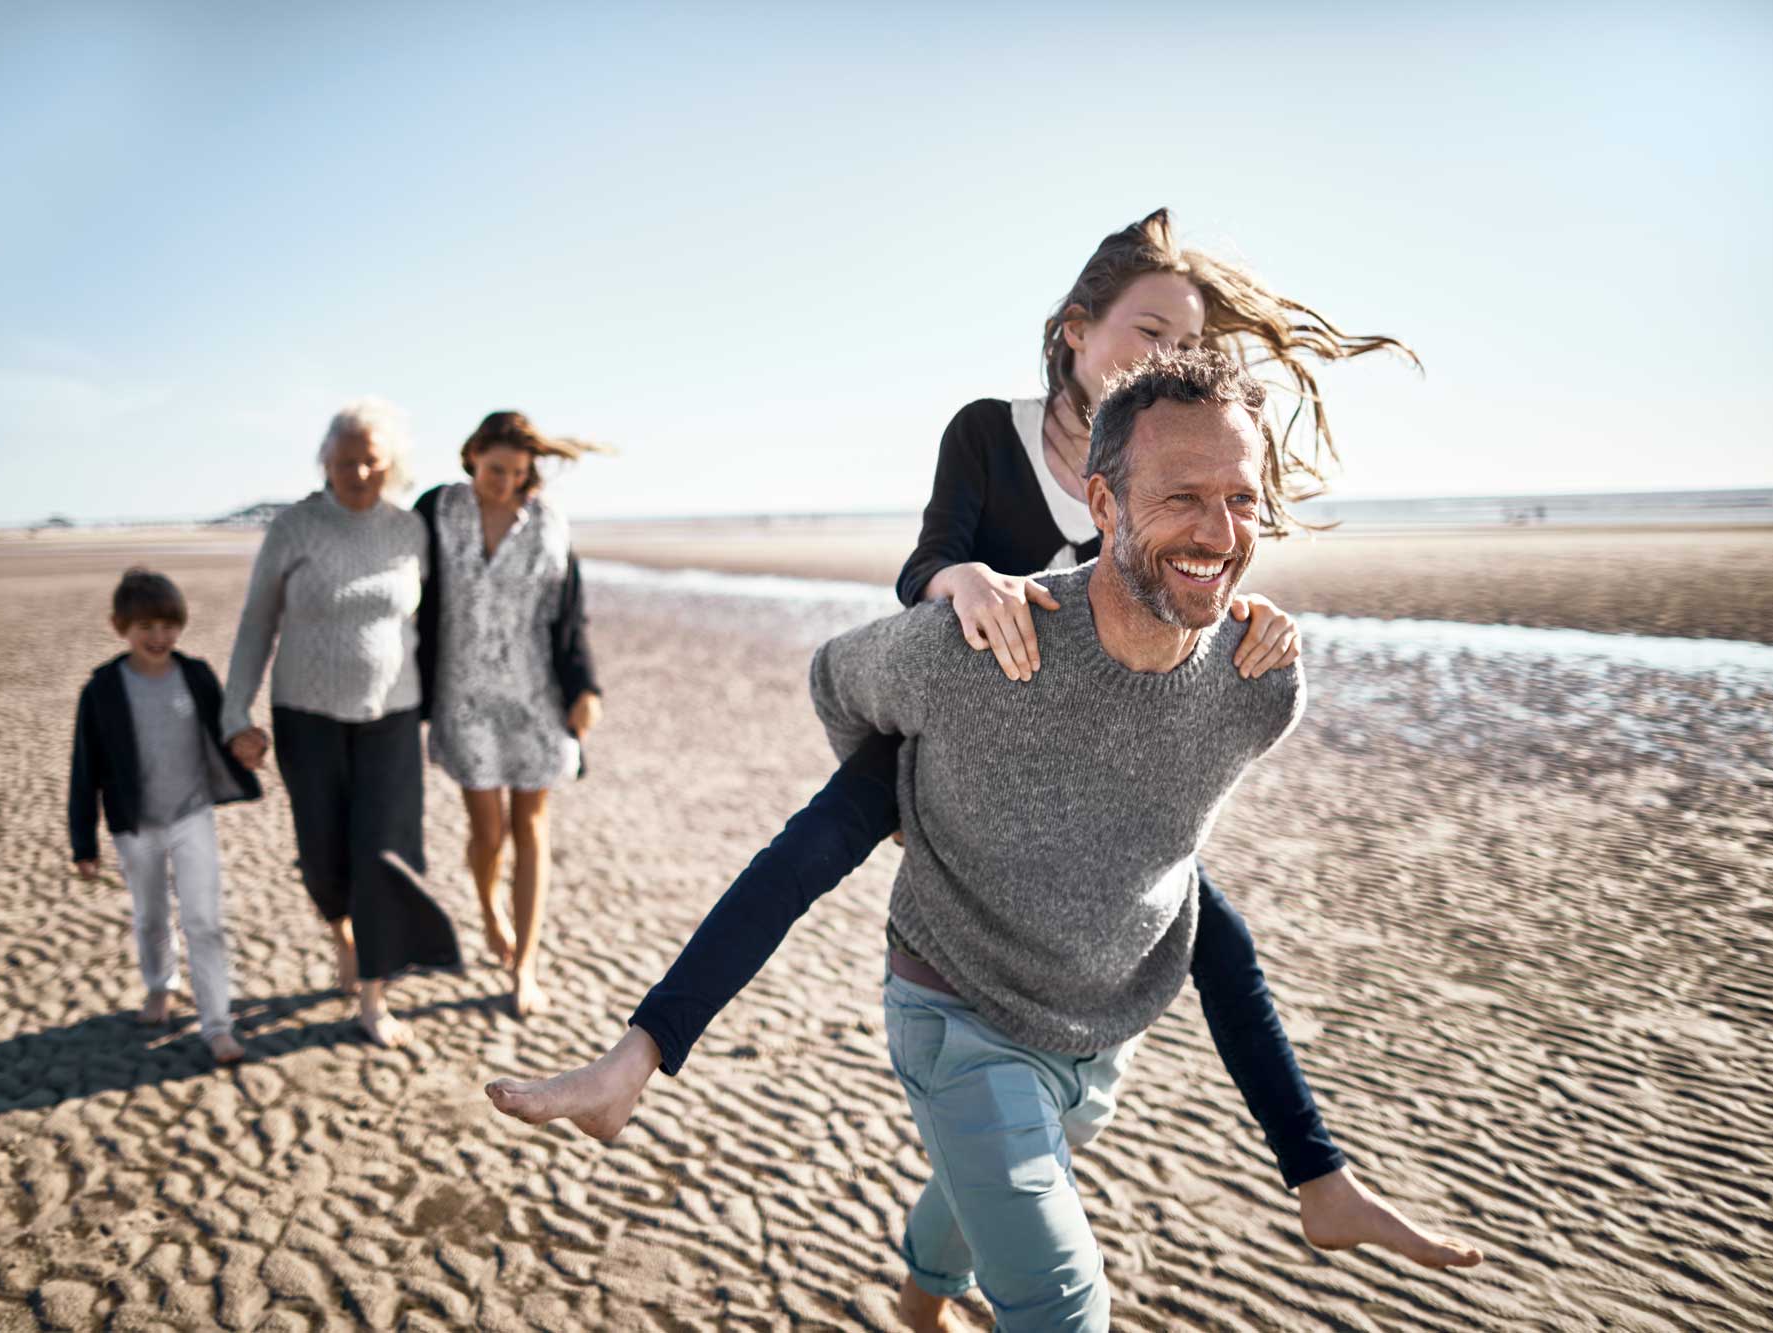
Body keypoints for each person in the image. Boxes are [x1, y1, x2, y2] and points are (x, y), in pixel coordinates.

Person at [489, 212, 1476, 1320]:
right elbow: (921, 565)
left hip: (1099, 793)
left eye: (1186, 343)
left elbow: (1199, 541)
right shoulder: (996, 435)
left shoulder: (1199, 516)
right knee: (815, 845)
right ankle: (640, 1053)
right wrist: (955, 602)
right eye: (1144, 334)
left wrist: (1226, 602)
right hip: (965, 684)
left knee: (1191, 903)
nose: (1163, 360)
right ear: (1075, 335)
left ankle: (1289, 1180)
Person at [222, 399, 461, 1049]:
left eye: (371, 459)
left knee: (383, 855)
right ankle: (343, 932)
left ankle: (373, 994)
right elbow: (255, 623)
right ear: (325, 460)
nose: (358, 470)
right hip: (305, 715)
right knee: (325, 856)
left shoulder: (411, 532)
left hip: (393, 715)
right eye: (345, 459)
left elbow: (442, 621)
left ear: (393, 464)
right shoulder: (294, 529)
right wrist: (234, 711)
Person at [414, 411, 604, 1019]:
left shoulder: (547, 520)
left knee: (532, 826)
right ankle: (489, 908)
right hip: (461, 694)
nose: (506, 483)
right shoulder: (437, 511)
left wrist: (585, 687)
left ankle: (525, 964)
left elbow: (568, 612)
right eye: (496, 470)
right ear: (471, 456)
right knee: (487, 831)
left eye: (519, 473)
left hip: (536, 695)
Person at [68, 567, 260, 1066]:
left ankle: (217, 1025)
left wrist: (247, 747)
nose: (159, 637)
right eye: (146, 627)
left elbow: (226, 730)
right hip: (135, 825)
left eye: (169, 625)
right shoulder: (102, 690)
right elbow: (84, 769)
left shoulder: (194, 674)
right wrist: (83, 844)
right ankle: (161, 986)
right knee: (152, 915)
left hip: (192, 817)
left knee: (204, 922)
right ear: (120, 626)